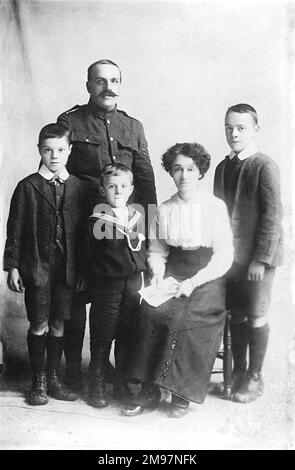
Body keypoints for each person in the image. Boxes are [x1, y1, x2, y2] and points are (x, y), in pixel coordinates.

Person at [57, 59, 157, 392]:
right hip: (80, 227)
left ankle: (110, 369)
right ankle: (74, 371)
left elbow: (145, 181)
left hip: (121, 232)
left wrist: (149, 236)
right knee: (75, 301)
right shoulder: (70, 121)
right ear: (88, 85)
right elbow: (59, 174)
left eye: (114, 81)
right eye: (100, 81)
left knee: (120, 304)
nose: (108, 87)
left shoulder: (133, 127)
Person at [121, 142, 233, 418]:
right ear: (170, 172)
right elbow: (158, 249)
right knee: (149, 311)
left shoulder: (214, 207)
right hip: (174, 271)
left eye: (190, 169)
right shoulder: (165, 208)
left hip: (209, 276)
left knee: (189, 316)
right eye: (177, 169)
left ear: (200, 172)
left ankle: (181, 393)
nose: (184, 175)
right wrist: (159, 276)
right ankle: (148, 390)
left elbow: (224, 255)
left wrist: (194, 282)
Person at [3, 123, 88, 406]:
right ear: (39, 150)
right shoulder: (28, 187)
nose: (54, 156)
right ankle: (37, 379)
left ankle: (54, 377)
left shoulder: (79, 188)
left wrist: (84, 269)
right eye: (48, 150)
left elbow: (85, 234)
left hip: (68, 269)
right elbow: (14, 229)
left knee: (59, 322)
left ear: (70, 150)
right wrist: (13, 266)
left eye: (61, 150)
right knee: (39, 321)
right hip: (37, 266)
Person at [213, 103, 283, 403]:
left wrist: (260, 259)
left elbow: (272, 216)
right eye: (229, 127)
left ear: (256, 128)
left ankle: (255, 375)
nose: (234, 133)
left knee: (255, 314)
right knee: (237, 315)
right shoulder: (223, 166)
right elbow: (217, 215)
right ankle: (239, 370)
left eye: (241, 127)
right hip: (231, 258)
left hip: (257, 259)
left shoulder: (263, 165)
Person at [84, 163, 146, 408]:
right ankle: (96, 381)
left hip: (132, 284)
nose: (117, 191)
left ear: (130, 189)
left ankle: (122, 380)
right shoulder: (97, 220)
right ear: (102, 189)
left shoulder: (138, 215)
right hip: (107, 284)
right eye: (111, 186)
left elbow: (146, 248)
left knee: (127, 332)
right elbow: (89, 255)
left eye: (123, 186)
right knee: (103, 332)